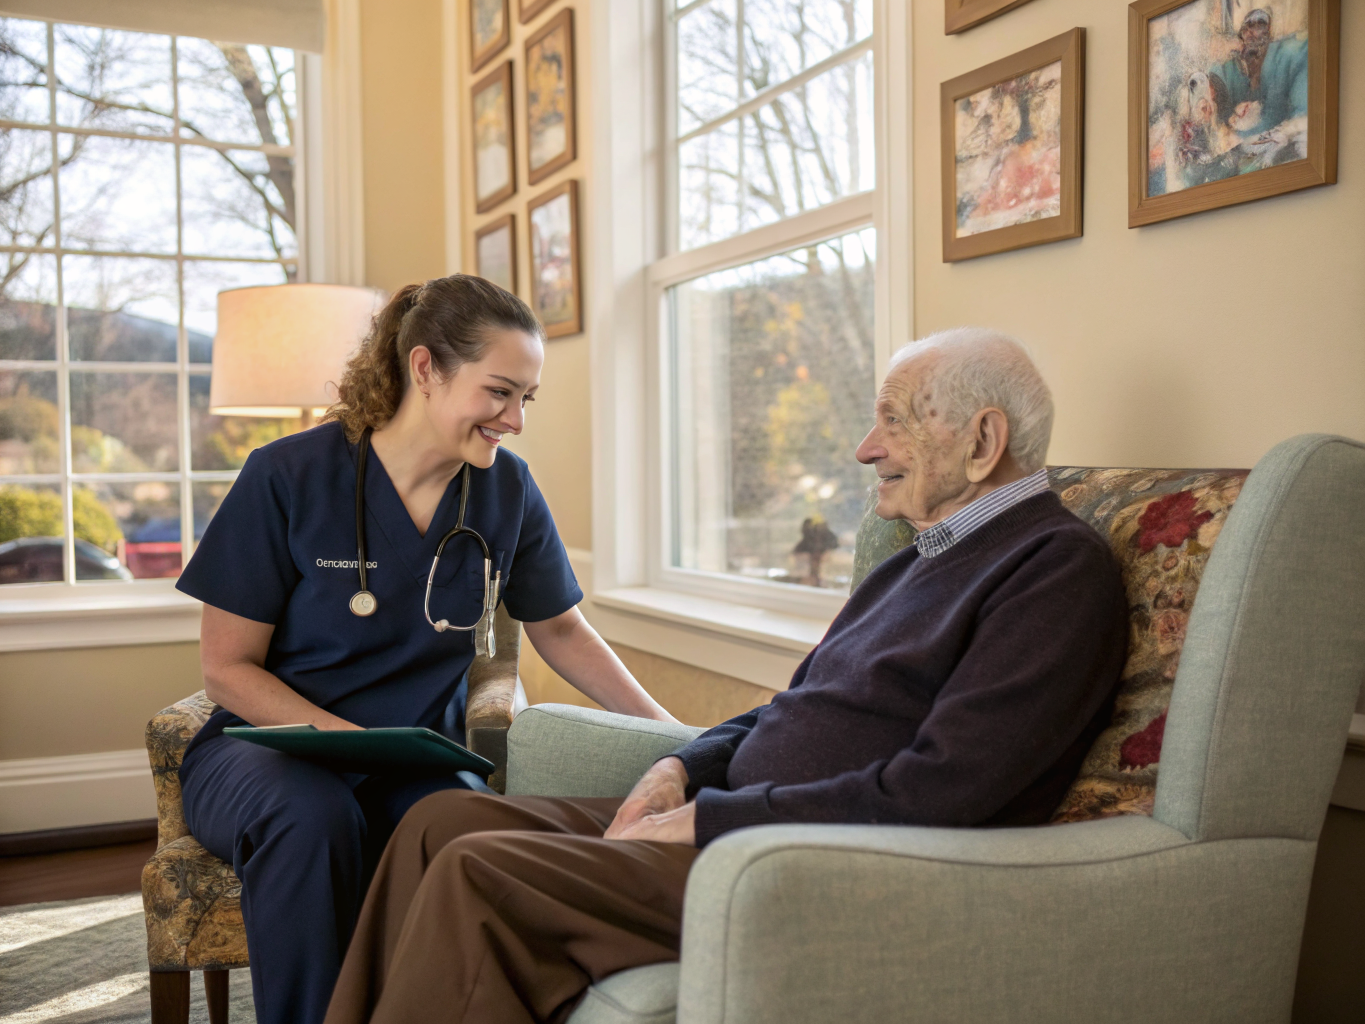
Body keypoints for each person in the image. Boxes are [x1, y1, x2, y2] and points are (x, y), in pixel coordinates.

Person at [322, 327, 1130, 1024]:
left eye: (892, 421)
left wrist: (714, 822)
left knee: (482, 871)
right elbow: (796, 708)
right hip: (740, 821)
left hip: (814, 862)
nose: (865, 448)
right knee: (441, 823)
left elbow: (942, 792)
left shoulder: (1052, 573)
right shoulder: (913, 558)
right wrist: (682, 767)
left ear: (983, 442)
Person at [174, 275, 676, 1024]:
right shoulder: (286, 476)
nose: (513, 419)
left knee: (461, 830)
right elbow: (227, 668)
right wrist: (346, 741)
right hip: (265, 752)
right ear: (424, 369)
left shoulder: (505, 490)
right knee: (311, 820)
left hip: (412, 758)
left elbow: (561, 629)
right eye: (499, 392)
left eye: (525, 399)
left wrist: (678, 742)